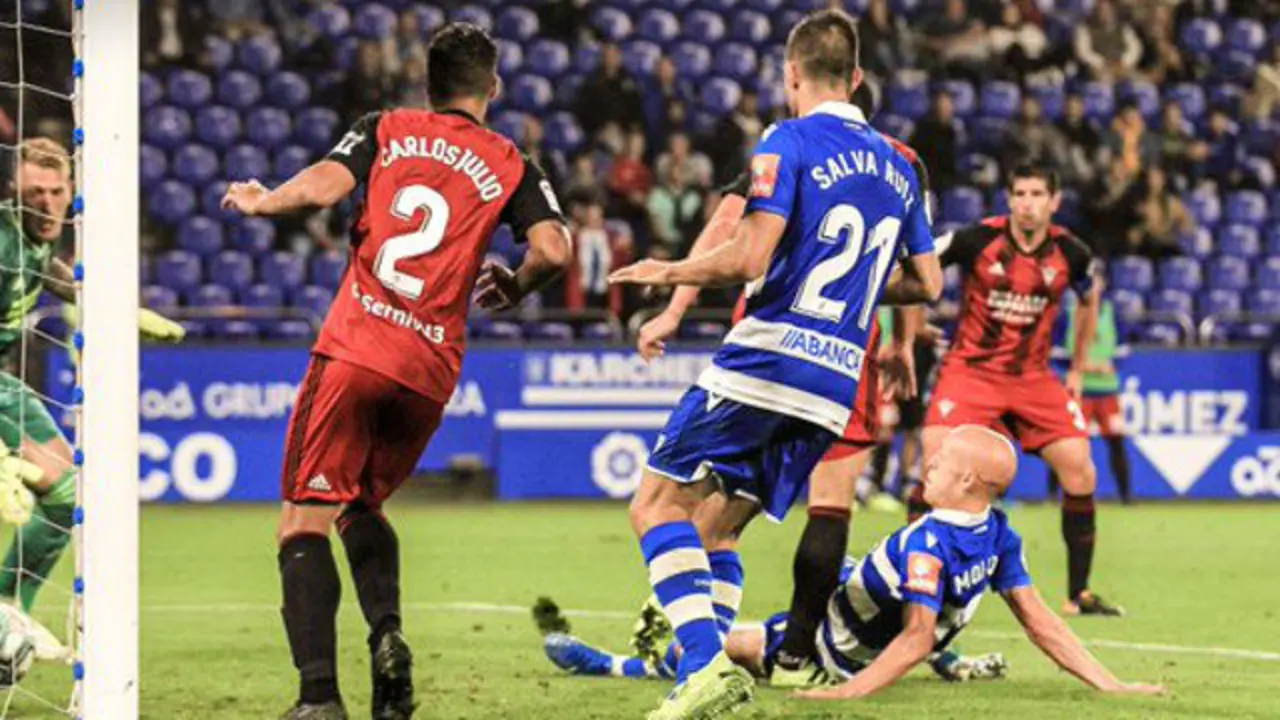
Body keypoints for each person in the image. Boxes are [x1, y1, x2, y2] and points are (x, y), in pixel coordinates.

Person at [220, 23, 571, 720]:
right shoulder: (511, 162)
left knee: (302, 521)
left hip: (359, 348)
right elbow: (555, 250)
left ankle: (319, 699)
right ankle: (388, 638)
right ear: (493, 87)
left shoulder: (387, 128)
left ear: (428, 84)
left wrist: (264, 199)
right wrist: (519, 285)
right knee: (361, 506)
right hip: (430, 369)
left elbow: (322, 189)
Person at [608, 10, 942, 718]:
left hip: (767, 360)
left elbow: (748, 255)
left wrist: (669, 272)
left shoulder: (786, 140)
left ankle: (702, 667)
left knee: (656, 505)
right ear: (856, 77)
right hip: (834, 385)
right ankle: (705, 675)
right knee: (722, 527)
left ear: (791, 74)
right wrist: (854, 291)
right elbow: (929, 283)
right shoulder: (901, 165)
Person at [542, 427, 1166, 702]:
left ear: (968, 481)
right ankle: (954, 661)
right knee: (854, 576)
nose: (928, 464)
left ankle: (615, 665)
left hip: (821, 646)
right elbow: (1040, 621)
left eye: (943, 462)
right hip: (859, 613)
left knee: (702, 648)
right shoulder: (1000, 533)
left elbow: (916, 637)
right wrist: (1110, 683)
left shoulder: (928, 544)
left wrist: (847, 692)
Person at [913, 164, 1126, 618]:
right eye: (1020, 193)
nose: (1028, 203)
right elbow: (919, 264)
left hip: (1033, 377)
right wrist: (910, 330)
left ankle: (1079, 594)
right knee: (933, 463)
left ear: (1055, 201)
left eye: (1037, 194)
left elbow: (1089, 297)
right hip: (971, 372)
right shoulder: (976, 239)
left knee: (1080, 470)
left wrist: (1078, 366)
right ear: (1009, 200)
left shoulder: (1072, 252)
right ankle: (915, 587)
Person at [0, 138, 186, 657]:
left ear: (71, 190)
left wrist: (117, 308)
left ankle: (9, 610)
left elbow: (53, 273)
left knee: (67, 495)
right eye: (35, 193)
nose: (47, 204)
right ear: (14, 191)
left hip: (2, 384)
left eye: (56, 192)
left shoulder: (35, 239)